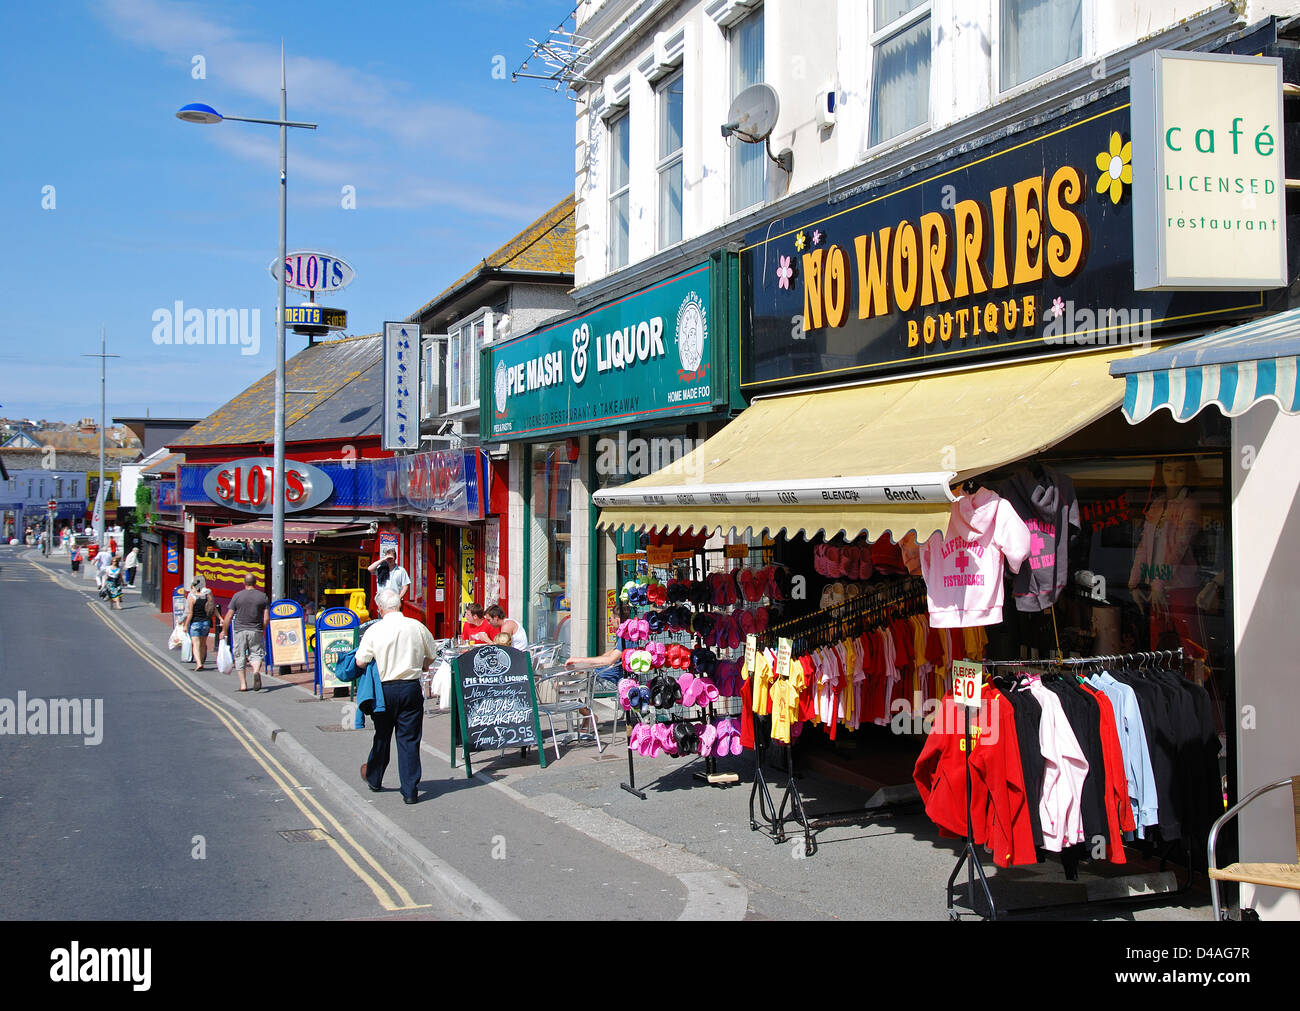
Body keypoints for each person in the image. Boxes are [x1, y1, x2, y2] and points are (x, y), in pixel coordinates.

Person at [356, 588, 437, 804]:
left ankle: (374, 778)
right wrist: (420, 666)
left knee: (382, 735)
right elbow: (432, 656)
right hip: (410, 688)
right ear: (399, 604)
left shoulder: (374, 630)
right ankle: (410, 791)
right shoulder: (416, 626)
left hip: (383, 690)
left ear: (381, 608)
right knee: (409, 739)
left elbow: (360, 662)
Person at [1129, 457, 1206, 660]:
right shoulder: (1157, 505)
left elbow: (1179, 548)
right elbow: (1143, 546)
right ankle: (1164, 690)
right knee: (1159, 648)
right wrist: (1134, 584)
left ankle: (1196, 689)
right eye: (1168, 470)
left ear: (1188, 474)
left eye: (1179, 470)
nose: (1172, 475)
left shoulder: (1190, 506)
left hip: (1181, 588)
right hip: (1156, 588)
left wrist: (1158, 585)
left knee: (1189, 647)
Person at [220, 574, 270, 692]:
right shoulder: (263, 596)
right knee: (256, 654)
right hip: (256, 629)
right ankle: (256, 671)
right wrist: (262, 629)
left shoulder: (237, 596)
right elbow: (266, 618)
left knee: (240, 656)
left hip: (240, 630)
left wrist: (224, 631)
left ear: (244, 583)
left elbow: (229, 615)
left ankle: (243, 684)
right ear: (255, 582)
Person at [181, 576, 217, 672]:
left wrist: (185, 625)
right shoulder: (207, 595)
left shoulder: (192, 597)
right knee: (203, 643)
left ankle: (199, 663)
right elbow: (213, 607)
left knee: (196, 644)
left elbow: (190, 613)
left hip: (195, 623)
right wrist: (221, 618)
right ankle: (202, 661)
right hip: (206, 622)